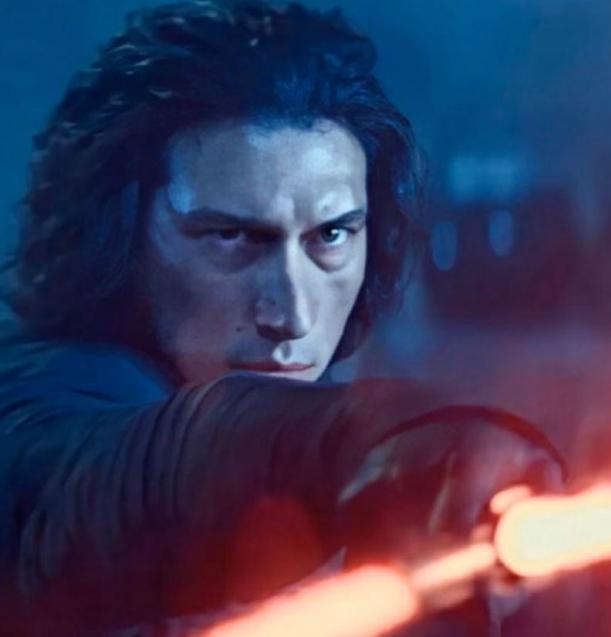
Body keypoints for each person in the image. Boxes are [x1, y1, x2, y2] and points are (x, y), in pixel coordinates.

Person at [0, 1, 563, 634]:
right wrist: (359, 444)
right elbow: (121, 480)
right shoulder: (37, 416)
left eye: (331, 236)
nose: (291, 314)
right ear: (119, 239)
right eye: (232, 238)